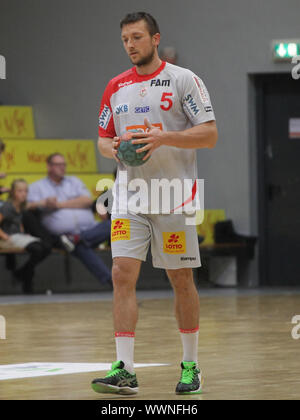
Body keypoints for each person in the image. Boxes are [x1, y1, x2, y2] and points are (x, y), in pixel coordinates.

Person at [91, 12, 218, 395]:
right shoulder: (115, 86)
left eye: (136, 38)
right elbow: (102, 137)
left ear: (155, 38)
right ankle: (125, 369)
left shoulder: (184, 80)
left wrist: (164, 138)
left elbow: (210, 135)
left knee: (180, 279)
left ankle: (191, 366)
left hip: (172, 196)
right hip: (129, 196)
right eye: (125, 39)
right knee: (121, 274)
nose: (130, 45)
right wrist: (112, 147)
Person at [27, 153, 112, 285]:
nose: (62, 168)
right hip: (61, 236)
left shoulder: (74, 181)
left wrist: (59, 205)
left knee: (111, 224)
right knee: (79, 246)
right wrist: (43, 203)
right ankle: (109, 279)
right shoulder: (37, 187)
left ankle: (77, 239)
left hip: (89, 229)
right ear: (49, 166)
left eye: (64, 164)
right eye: (58, 165)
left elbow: (87, 201)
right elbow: (26, 207)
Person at [0, 179, 52, 293]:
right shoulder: (7, 206)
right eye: (20, 191)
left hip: (19, 236)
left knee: (46, 247)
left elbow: (18, 222)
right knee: (38, 249)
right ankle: (23, 274)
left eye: (25, 191)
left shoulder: (21, 206)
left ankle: (22, 273)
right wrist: (4, 237)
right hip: (9, 238)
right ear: (13, 192)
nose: (23, 194)